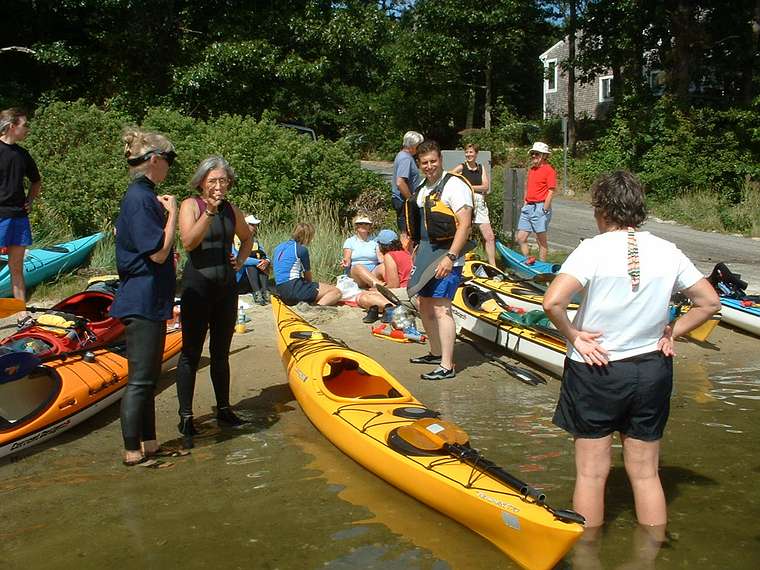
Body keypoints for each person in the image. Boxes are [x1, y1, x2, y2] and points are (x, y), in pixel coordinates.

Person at [542, 170, 720, 530]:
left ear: (602, 210)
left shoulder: (592, 249)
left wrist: (575, 336)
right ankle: (649, 557)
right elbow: (709, 302)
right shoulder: (667, 250)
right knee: (645, 474)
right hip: (652, 369)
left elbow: (552, 302)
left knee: (591, 475)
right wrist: (673, 330)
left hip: (598, 368)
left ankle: (588, 557)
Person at [110, 127, 178, 467]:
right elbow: (159, 253)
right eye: (169, 160)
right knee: (139, 379)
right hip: (140, 298)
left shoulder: (144, 196)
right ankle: (132, 451)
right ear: (154, 160)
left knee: (150, 376)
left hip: (151, 298)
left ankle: (149, 444)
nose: (170, 166)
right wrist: (174, 214)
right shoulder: (139, 198)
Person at [176, 156, 253, 449]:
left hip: (225, 288)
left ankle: (223, 408)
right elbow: (188, 242)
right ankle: (185, 415)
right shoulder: (190, 205)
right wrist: (208, 212)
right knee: (191, 353)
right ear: (201, 183)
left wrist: (241, 261)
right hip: (197, 286)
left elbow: (246, 238)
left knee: (221, 352)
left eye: (223, 181)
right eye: (213, 181)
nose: (219, 186)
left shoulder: (232, 210)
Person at [406, 140, 473, 380]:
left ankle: (447, 365)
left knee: (442, 308)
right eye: (425, 162)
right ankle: (435, 352)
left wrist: (451, 257)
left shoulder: (455, 186)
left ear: (441, 160)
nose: (429, 166)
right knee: (424, 304)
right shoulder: (423, 188)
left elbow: (464, 224)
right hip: (426, 255)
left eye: (433, 161)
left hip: (447, 257)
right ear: (419, 164)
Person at [0, 108, 41, 306]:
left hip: (18, 217)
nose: (27, 129)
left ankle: (19, 312)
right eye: (24, 125)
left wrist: (30, 201)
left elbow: (36, 181)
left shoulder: (22, 154)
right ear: (11, 126)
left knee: (16, 267)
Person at [273, 222, 341, 306]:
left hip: (280, 290)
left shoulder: (278, 247)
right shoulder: (301, 250)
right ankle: (316, 308)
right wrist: (311, 287)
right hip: (293, 289)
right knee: (336, 292)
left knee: (317, 288)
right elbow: (308, 276)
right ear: (307, 236)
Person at [452, 143, 496, 266]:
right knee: (463, 235)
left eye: (471, 152)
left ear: (476, 154)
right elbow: (449, 177)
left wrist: (469, 186)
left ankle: (493, 265)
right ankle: (459, 263)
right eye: (467, 152)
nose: (468, 154)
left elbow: (486, 186)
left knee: (489, 236)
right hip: (466, 204)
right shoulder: (461, 167)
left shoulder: (481, 167)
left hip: (480, 204)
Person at [356, 229, 413, 323]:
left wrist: (379, 289)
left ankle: (393, 308)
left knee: (363, 297)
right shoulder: (406, 253)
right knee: (370, 294)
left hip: (402, 294)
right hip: (410, 291)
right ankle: (391, 307)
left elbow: (394, 285)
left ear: (381, 245)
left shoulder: (390, 256)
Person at [516, 141, 556, 261]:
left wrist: (545, 208)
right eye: (532, 154)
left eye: (537, 154)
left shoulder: (549, 170)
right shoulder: (532, 170)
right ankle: (528, 259)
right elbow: (527, 187)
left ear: (544, 156)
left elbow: (551, 190)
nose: (533, 156)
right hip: (528, 206)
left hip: (540, 207)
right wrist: (525, 202)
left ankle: (542, 266)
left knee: (541, 239)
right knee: (521, 237)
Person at [391, 131, 424, 243]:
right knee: (407, 233)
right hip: (403, 201)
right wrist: (411, 199)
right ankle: (407, 258)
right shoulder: (406, 159)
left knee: (407, 232)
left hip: (402, 201)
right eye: (419, 145)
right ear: (413, 145)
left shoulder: (403, 156)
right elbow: (400, 182)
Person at [235, 214, 271, 305]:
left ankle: (265, 291)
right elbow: (239, 259)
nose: (255, 227)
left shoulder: (254, 240)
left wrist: (266, 261)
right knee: (252, 264)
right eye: (252, 224)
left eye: (255, 225)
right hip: (238, 280)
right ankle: (257, 293)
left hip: (250, 279)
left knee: (263, 262)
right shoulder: (235, 239)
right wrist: (259, 262)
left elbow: (264, 254)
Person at [341, 214, 384, 288]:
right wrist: (345, 262)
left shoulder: (375, 241)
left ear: (370, 226)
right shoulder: (350, 241)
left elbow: (380, 258)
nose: (363, 225)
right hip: (356, 273)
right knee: (358, 267)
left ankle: (393, 284)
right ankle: (380, 286)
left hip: (373, 271)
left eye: (366, 224)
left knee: (383, 266)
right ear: (356, 226)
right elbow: (347, 259)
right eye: (360, 224)